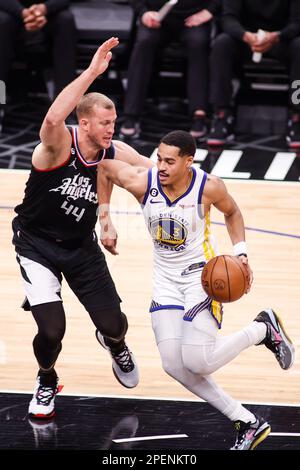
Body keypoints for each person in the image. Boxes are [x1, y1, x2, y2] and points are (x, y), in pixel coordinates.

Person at [98, 130, 295, 450]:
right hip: (165, 281)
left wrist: (241, 253)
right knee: (173, 364)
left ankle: (262, 329)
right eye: (158, 158)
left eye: (170, 161)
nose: (161, 166)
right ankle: (248, 422)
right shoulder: (142, 182)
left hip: (200, 279)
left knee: (198, 361)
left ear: (189, 162)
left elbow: (232, 212)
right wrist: (105, 219)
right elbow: (105, 169)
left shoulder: (208, 187)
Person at [12, 37, 154, 419]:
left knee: (114, 324)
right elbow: (53, 119)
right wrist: (92, 72)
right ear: (85, 122)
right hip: (36, 245)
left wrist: (206, 187)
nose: (111, 128)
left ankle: (115, 343)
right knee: (51, 330)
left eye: (114, 122)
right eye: (105, 123)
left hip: (80, 246)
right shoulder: (57, 146)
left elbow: (152, 171)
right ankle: (46, 379)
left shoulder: (115, 152)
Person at [120, 0, 221, 140]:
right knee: (144, 42)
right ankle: (131, 114)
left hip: (193, 17)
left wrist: (210, 11)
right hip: (157, 18)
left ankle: (199, 114)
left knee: (198, 43)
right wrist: (143, 12)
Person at [207, 0, 300, 147]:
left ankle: (297, 113)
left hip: (281, 38)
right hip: (246, 38)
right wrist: (245, 36)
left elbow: (296, 22)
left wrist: (276, 36)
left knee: (298, 47)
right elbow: (228, 18)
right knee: (222, 44)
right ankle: (222, 113)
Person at [0, 0, 77, 131]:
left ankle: (64, 110)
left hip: (49, 10)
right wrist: (22, 12)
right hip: (10, 10)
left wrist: (44, 9)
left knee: (65, 20)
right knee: (2, 22)